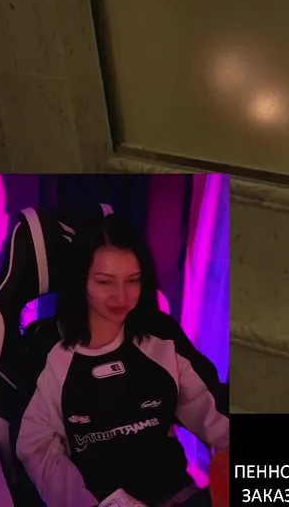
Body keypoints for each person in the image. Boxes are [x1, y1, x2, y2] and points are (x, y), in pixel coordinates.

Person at [14, 212, 229, 507]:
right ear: (81, 281)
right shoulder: (48, 351)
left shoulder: (161, 334)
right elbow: (37, 449)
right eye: (105, 282)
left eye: (133, 281)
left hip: (175, 493)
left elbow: (211, 410)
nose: (121, 297)